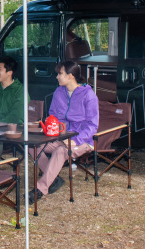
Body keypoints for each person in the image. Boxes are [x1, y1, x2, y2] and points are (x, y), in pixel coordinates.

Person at [29, 60, 99, 204]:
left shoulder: (88, 95)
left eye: (60, 73)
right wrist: (51, 126)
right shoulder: (58, 92)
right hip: (60, 137)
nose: (57, 77)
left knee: (61, 151)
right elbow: (53, 115)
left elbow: (93, 126)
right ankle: (53, 178)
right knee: (32, 146)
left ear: (71, 76)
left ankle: (40, 189)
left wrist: (76, 139)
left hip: (82, 141)